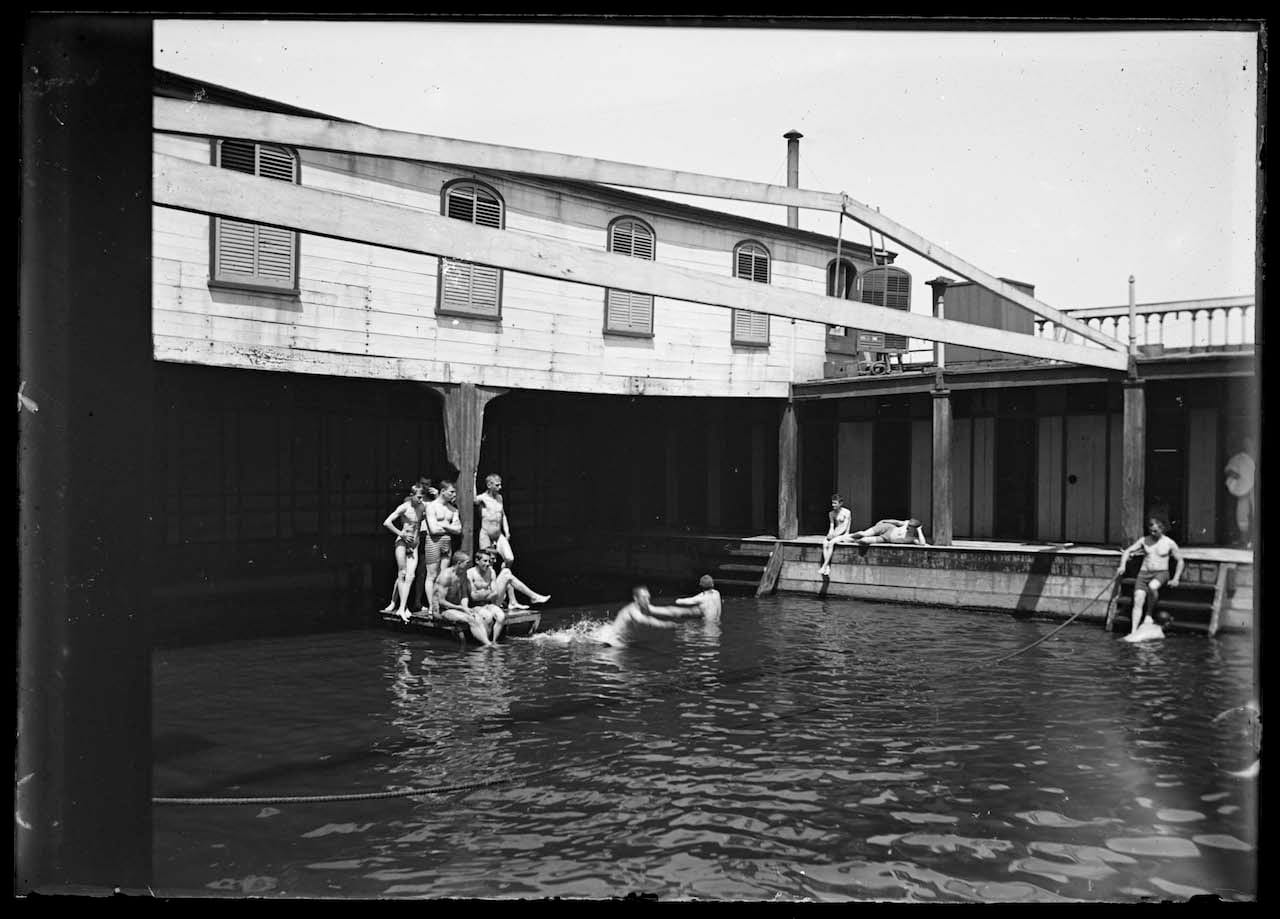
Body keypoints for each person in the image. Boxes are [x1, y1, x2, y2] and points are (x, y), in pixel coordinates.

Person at [1117, 515, 1185, 636]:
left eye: (1155, 531)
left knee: (1153, 587)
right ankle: (1133, 630)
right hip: (1144, 573)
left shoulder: (1169, 543)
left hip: (1161, 573)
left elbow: (1180, 560)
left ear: (1162, 529)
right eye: (1151, 531)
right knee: (1138, 598)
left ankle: (1148, 614)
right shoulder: (1144, 540)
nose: (1153, 533)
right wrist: (1122, 566)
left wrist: (1176, 578)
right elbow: (1127, 551)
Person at [466, 549, 550, 642]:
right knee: (488, 616)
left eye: (489, 561)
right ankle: (528, 598)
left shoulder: (491, 571)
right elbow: (473, 597)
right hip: (476, 606)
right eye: (485, 561)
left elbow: (495, 593)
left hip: (491, 603)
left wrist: (484, 593)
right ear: (477, 561)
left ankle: (494, 642)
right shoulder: (470, 573)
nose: (488, 564)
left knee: (506, 572)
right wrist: (488, 592)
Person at [380, 483, 428, 622]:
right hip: (402, 542)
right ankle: (401, 606)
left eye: (422, 497)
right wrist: (401, 534)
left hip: (415, 544)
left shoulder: (422, 506)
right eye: (418, 497)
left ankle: (401, 606)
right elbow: (387, 522)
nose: (420, 499)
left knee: (411, 576)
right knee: (402, 573)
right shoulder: (404, 507)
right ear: (412, 495)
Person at [597, 586, 696, 647]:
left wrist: (689, 611)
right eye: (644, 598)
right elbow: (647, 621)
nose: (647, 600)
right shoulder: (632, 611)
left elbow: (667, 610)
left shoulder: (644, 606)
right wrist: (670, 625)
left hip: (623, 640)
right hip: (610, 643)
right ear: (636, 598)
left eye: (648, 597)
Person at [432, 551, 494, 647]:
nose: (469, 565)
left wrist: (465, 607)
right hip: (441, 610)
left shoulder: (463, 574)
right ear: (459, 563)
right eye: (467, 563)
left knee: (479, 617)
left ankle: (483, 642)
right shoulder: (446, 576)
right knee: (470, 619)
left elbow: (464, 595)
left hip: (456, 607)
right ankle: (488, 645)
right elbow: (441, 601)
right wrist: (460, 608)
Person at [421, 480, 462, 615]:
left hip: (446, 542)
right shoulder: (431, 506)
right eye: (451, 491)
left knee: (443, 575)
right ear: (443, 491)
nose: (453, 494)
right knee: (432, 575)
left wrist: (444, 526)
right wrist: (450, 528)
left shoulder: (453, 509)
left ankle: (440, 602)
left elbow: (458, 529)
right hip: (433, 542)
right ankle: (432, 605)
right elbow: (433, 529)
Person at [408, 477, 440, 612]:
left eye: (428, 484)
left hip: (431, 537)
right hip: (418, 537)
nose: (426, 487)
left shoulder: (434, 500)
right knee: (418, 572)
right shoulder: (416, 499)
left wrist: (438, 496)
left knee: (431, 572)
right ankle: (416, 601)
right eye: (423, 484)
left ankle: (433, 602)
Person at [475, 473, 516, 566]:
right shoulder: (483, 498)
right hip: (486, 534)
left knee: (509, 558)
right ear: (489, 485)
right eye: (497, 485)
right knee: (487, 563)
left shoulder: (499, 497)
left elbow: (503, 514)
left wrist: (507, 531)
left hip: (498, 534)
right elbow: (473, 499)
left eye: (500, 484)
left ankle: (502, 576)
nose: (500, 487)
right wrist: (473, 479)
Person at [1224, 435, 1256, 549]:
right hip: (1245, 491)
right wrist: (1236, 476)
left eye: (1250, 443)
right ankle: (1244, 540)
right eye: (1245, 443)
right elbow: (1229, 471)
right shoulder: (1238, 459)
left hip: (1254, 489)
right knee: (1242, 514)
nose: (1248, 445)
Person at [819, 494, 853, 577]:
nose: (833, 505)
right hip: (835, 532)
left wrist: (837, 535)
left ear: (840, 503)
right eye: (832, 503)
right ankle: (827, 567)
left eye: (835, 503)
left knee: (831, 543)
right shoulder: (831, 513)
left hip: (844, 534)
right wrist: (830, 534)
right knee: (824, 543)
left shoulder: (847, 512)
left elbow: (846, 527)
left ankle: (824, 565)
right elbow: (832, 526)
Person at [851, 518, 929, 546]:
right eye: (908, 525)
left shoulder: (912, 538)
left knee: (864, 540)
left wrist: (919, 529)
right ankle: (847, 536)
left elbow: (922, 544)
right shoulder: (906, 523)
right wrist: (883, 521)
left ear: (915, 529)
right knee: (864, 534)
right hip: (888, 528)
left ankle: (850, 540)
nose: (907, 527)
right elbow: (896, 522)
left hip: (886, 538)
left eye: (910, 527)